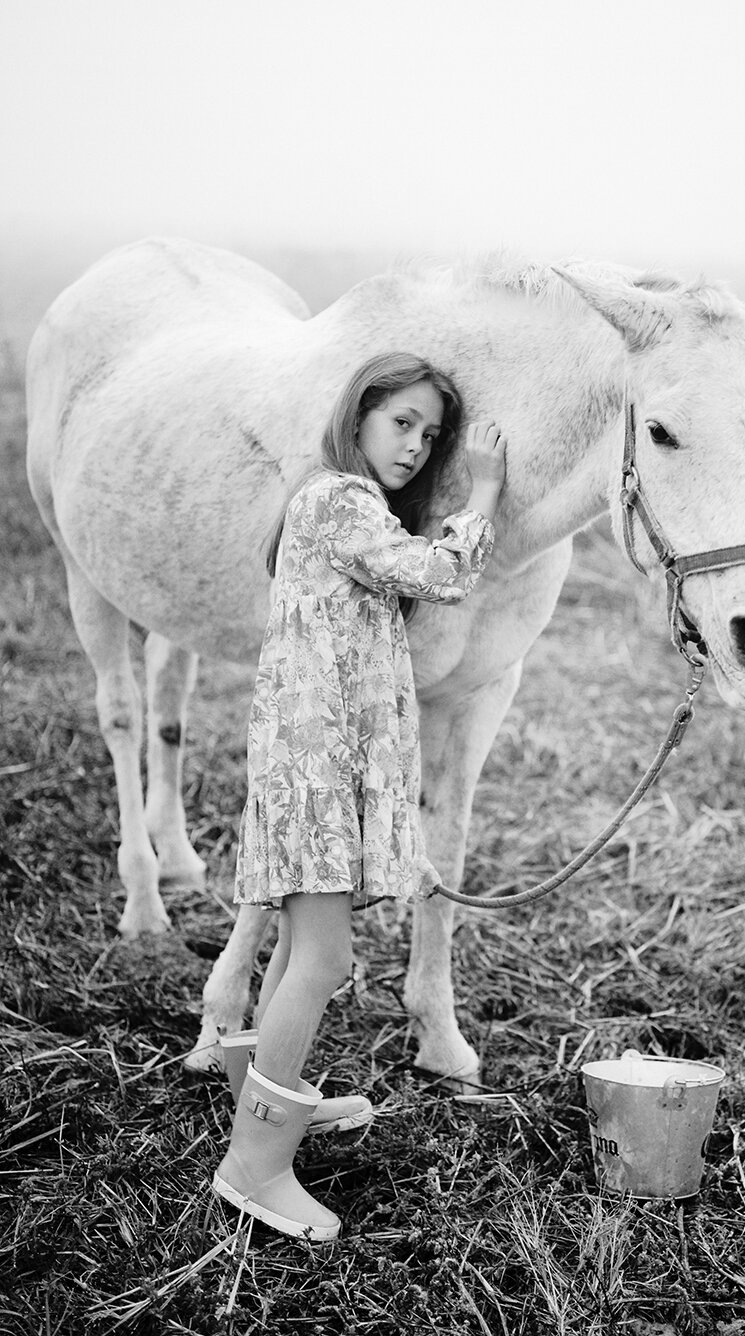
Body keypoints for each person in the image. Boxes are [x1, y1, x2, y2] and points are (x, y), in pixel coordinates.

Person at [212, 352, 507, 1243]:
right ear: (361, 413)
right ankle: (254, 1166)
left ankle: (268, 1099)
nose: (417, 446)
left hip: (318, 766)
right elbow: (443, 575)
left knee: (302, 944)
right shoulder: (339, 498)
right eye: (403, 422)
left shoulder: (347, 505)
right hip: (315, 774)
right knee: (324, 961)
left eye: (432, 433)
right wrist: (484, 492)